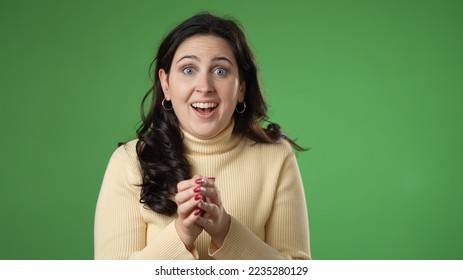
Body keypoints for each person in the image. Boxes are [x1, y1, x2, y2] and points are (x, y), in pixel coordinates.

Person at [94, 12, 311, 260]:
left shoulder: (276, 157)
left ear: (241, 87)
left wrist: (226, 230)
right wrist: (181, 234)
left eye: (220, 71)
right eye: (188, 69)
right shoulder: (128, 162)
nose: (205, 86)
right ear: (166, 84)